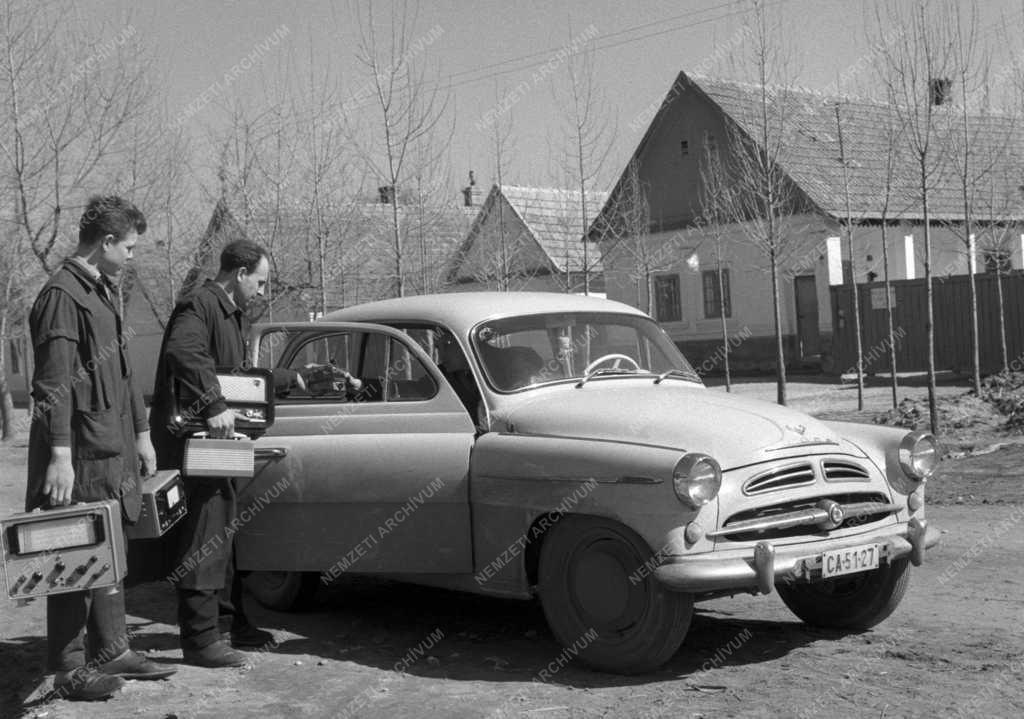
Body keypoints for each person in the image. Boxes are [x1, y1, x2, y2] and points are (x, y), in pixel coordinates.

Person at [26, 195, 177, 701]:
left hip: (114, 448)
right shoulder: (62, 296)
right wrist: (61, 454)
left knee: (113, 548)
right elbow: (52, 385)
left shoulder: (104, 291)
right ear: (106, 242)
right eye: (129, 247)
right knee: (74, 549)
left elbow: (127, 373)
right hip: (83, 452)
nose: (133, 256)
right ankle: (70, 670)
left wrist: (141, 435)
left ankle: (112, 648)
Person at [150, 239, 287, 668]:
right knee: (203, 535)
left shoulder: (230, 315)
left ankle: (231, 625)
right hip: (195, 446)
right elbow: (183, 352)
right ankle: (201, 641)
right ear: (239, 273)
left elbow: (236, 377)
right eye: (260, 282)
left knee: (224, 533)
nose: (262, 292)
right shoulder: (199, 305)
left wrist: (290, 379)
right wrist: (213, 405)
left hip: (217, 444)